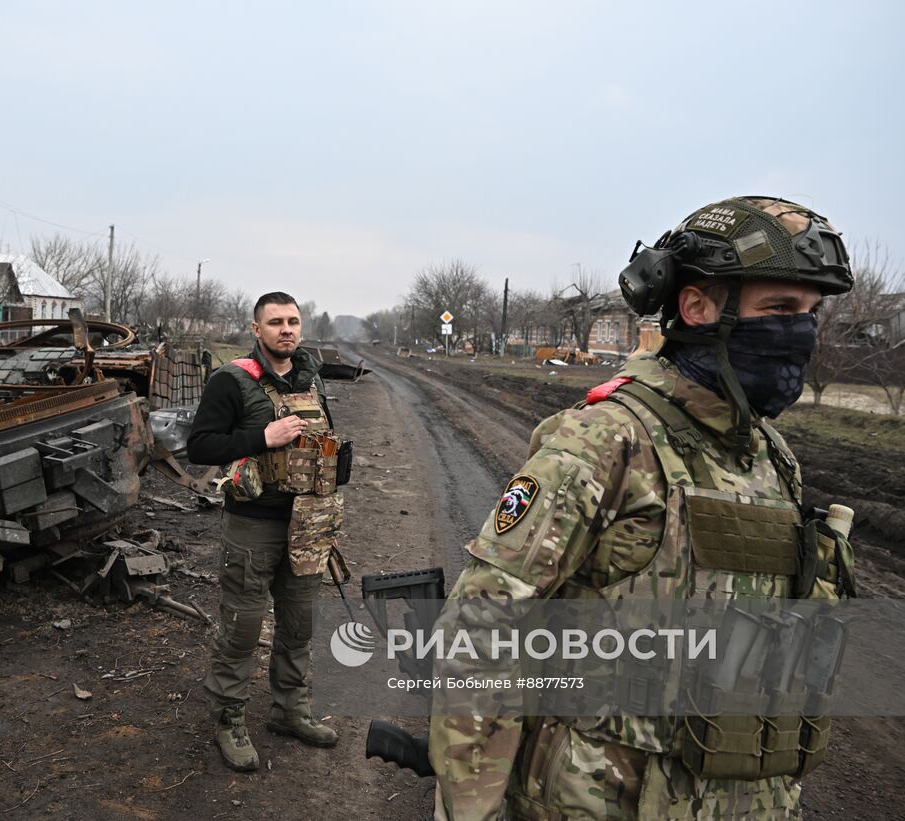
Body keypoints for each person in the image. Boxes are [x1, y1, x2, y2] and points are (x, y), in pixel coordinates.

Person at [429, 197, 858, 819]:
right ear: (697, 306)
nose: (802, 332)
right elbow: (481, 629)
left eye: (811, 314)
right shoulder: (607, 440)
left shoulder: (772, 457)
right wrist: (472, 809)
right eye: (780, 309)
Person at [188, 291, 342, 772]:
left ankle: (289, 710)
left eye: (293, 321)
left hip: (308, 526)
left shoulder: (309, 375)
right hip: (254, 526)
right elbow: (200, 446)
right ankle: (228, 717)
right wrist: (262, 438)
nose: (286, 329)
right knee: (242, 627)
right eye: (275, 322)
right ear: (256, 330)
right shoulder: (231, 380)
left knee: (298, 626)